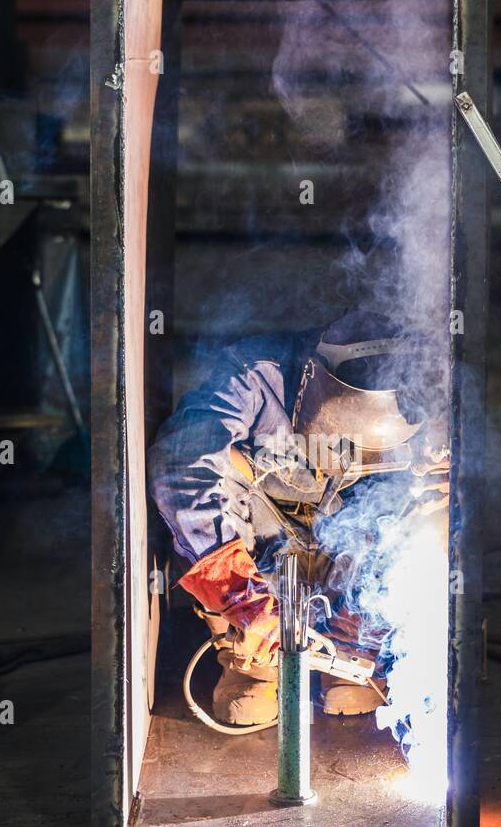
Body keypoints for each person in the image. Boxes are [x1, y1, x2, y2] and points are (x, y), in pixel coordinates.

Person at [148, 309, 448, 726]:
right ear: (312, 379)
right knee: (212, 474)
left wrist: (384, 602)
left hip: (347, 548)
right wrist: (242, 597)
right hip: (265, 544)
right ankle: (251, 655)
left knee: (426, 500)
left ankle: (353, 643)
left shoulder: (428, 393)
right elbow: (182, 464)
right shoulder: (254, 374)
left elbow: (439, 503)